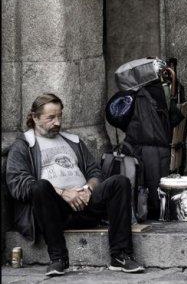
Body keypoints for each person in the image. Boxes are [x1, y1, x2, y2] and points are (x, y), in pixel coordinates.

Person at [6, 93, 145, 276]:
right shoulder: (23, 145)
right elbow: (18, 184)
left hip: (85, 203)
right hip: (54, 210)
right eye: (51, 117)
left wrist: (88, 189)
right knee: (40, 187)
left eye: (60, 116)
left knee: (120, 182)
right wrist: (63, 193)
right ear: (34, 117)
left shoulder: (73, 141)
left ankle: (120, 255)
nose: (57, 122)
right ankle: (58, 259)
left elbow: (95, 173)